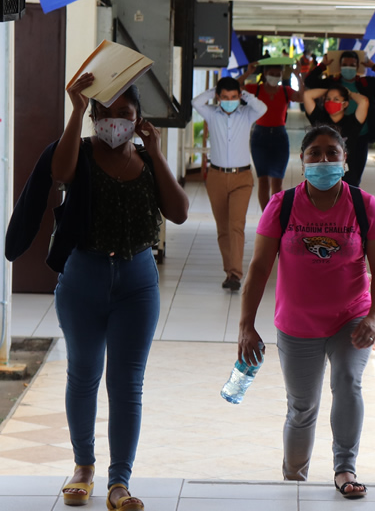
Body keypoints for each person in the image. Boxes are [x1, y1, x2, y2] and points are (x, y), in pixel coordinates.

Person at [6, 76, 189, 510]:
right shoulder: (80, 153)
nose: (113, 123)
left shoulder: (147, 160)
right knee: (83, 373)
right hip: (82, 277)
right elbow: (60, 172)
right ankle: (83, 467)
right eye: (103, 114)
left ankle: (119, 481)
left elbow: (179, 211)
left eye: (123, 115)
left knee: (127, 383)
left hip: (137, 282)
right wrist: (74, 109)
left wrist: (158, 152)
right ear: (93, 117)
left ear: (138, 119)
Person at [237, 126, 375, 499]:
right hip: (297, 324)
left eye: (332, 153)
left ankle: (345, 469)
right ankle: (294, 478)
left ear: (345, 160)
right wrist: (246, 325)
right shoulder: (282, 205)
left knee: (347, 382)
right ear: (302, 161)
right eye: (315, 153)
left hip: (350, 319)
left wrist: (374, 316)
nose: (324, 160)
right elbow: (259, 267)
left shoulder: (364, 205)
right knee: (302, 406)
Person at [192, 76, 268, 291]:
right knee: (223, 228)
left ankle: (235, 274)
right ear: (218, 97)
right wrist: (213, 91)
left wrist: (245, 95)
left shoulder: (246, 114)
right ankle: (229, 271)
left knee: (236, 225)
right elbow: (196, 102)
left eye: (233, 97)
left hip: (241, 178)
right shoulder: (211, 114)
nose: (229, 101)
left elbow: (262, 107)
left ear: (239, 96)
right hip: (216, 176)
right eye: (224, 97)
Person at [240, 63, 305, 210]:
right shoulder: (255, 89)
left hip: (279, 138)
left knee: (277, 182)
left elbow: (301, 97)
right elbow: (233, 88)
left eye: (278, 74)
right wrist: (247, 72)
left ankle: (275, 215)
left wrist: (298, 76)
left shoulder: (285, 91)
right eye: (271, 73)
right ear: (264, 73)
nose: (274, 77)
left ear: (282, 76)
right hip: (259, 138)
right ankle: (266, 216)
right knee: (263, 180)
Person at [303, 84, 371, 186]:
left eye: (336, 99)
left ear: (345, 104)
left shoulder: (353, 122)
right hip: (322, 176)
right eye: (328, 99)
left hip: (347, 177)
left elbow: (364, 101)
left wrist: (349, 93)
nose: (331, 102)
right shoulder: (320, 119)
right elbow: (307, 95)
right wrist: (329, 89)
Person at [304, 50, 375, 116]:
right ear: (340, 67)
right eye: (345, 65)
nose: (348, 68)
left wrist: (373, 66)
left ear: (357, 67)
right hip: (337, 131)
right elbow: (309, 81)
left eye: (352, 65)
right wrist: (323, 65)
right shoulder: (332, 84)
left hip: (361, 135)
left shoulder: (366, 84)